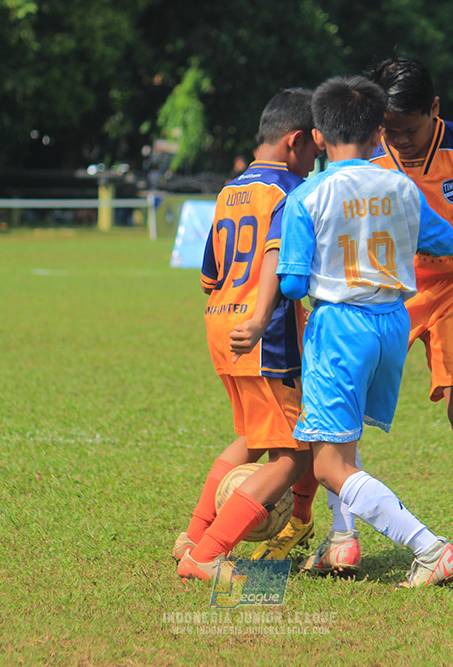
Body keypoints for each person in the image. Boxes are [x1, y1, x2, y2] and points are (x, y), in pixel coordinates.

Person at [321, 56, 453, 579]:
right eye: (389, 130)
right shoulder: (366, 155)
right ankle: (324, 529)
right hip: (384, 293)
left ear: (434, 110)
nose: (400, 141)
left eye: (410, 129)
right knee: (333, 404)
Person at [276, 75, 453, 588]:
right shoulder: (401, 185)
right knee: (341, 438)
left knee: (328, 465)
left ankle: (429, 548)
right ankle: (342, 541)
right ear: (379, 132)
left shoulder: (308, 195)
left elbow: (292, 284)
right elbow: (445, 241)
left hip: (340, 325)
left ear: (318, 136)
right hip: (392, 323)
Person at [174, 88, 324, 581]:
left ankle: (194, 535)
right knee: (294, 456)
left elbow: (207, 275)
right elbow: (279, 262)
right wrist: (265, 317)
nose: (315, 161)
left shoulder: (229, 190)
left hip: (222, 323)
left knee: (252, 438)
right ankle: (208, 552)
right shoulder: (292, 193)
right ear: (294, 141)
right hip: (265, 335)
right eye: (313, 151)